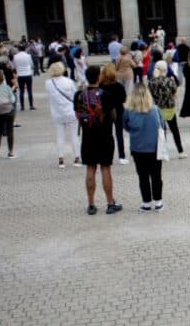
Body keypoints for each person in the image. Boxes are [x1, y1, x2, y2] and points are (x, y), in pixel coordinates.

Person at [74, 65, 122, 215]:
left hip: (88, 136)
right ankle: (110, 202)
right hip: (104, 135)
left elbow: (77, 113)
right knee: (105, 168)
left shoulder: (79, 95)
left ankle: (91, 204)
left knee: (90, 169)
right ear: (99, 77)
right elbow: (114, 116)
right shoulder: (105, 95)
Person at [123, 83, 165, 211]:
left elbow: (126, 126)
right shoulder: (155, 110)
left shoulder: (128, 111)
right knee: (156, 175)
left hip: (138, 147)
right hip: (154, 147)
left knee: (143, 176)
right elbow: (162, 125)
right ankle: (158, 201)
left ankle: (146, 202)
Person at [45, 62, 81, 168]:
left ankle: (61, 158)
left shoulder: (48, 83)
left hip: (57, 112)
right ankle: (77, 158)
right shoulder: (69, 81)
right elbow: (75, 96)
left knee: (60, 136)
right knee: (74, 135)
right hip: (70, 111)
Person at [149, 60, 186, 159]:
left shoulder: (152, 81)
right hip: (169, 108)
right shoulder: (170, 81)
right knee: (175, 130)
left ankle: (162, 152)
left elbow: (150, 95)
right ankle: (180, 151)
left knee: (161, 131)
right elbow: (175, 93)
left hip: (157, 109)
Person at [99, 63, 128, 165]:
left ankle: (106, 155)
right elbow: (124, 99)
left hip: (105, 111)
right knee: (119, 133)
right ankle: (122, 155)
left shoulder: (101, 86)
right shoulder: (119, 86)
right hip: (118, 110)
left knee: (107, 134)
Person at [0, 68, 16, 160]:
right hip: (8, 111)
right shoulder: (7, 88)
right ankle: (10, 152)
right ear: (2, 78)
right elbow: (12, 100)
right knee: (10, 131)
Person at [13, 43, 35, 111]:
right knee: (29, 90)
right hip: (28, 74)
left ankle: (22, 106)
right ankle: (31, 105)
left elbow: (15, 65)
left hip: (20, 75)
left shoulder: (15, 56)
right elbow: (31, 64)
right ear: (25, 48)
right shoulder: (28, 56)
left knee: (21, 91)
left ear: (18, 49)